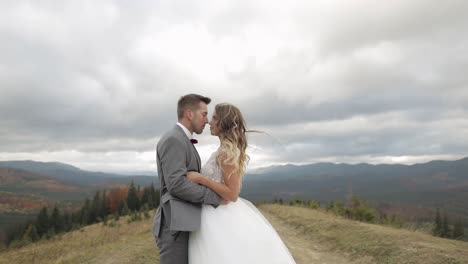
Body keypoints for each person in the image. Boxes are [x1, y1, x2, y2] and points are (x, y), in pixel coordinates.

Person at [186, 103, 296, 263]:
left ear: (225, 123)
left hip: (220, 217)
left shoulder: (226, 154)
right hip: (212, 212)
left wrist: (201, 179)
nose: (210, 122)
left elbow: (232, 194)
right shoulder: (222, 150)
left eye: (215, 118)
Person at [152, 94, 225, 264]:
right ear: (189, 114)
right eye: (204, 114)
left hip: (182, 222)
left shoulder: (182, 139)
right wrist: (214, 197)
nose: (207, 121)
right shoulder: (174, 139)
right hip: (174, 226)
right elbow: (176, 184)